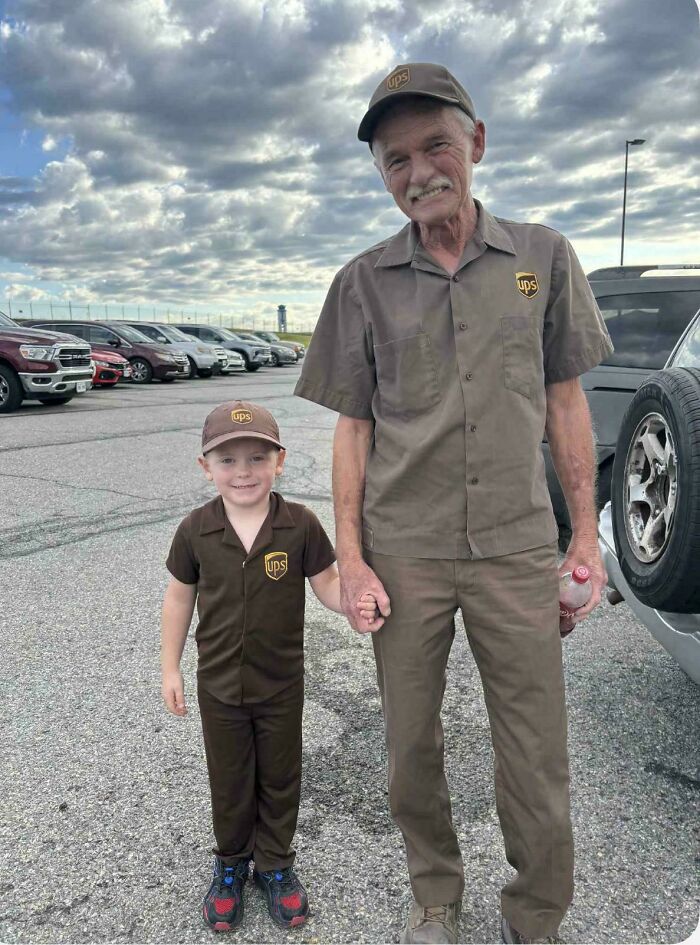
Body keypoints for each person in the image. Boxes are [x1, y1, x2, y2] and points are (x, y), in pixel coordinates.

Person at [295, 63, 613, 945]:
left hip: (516, 547)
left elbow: (564, 404)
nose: (418, 170)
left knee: (535, 750)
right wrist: (351, 556)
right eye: (395, 159)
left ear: (477, 141)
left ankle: (536, 916)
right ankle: (436, 894)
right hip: (406, 550)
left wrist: (583, 533)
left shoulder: (541, 259)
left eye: (435, 143)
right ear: (381, 174)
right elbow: (353, 431)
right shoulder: (360, 283)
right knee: (409, 748)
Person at [160, 400, 346, 933]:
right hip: (218, 688)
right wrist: (169, 669)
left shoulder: (300, 525)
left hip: (281, 685)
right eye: (228, 460)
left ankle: (276, 864)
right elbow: (178, 600)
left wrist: (354, 603)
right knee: (231, 780)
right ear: (206, 467)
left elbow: (328, 584)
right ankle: (230, 864)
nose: (243, 472)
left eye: (256, 458)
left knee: (282, 777)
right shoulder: (196, 530)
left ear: (279, 461)